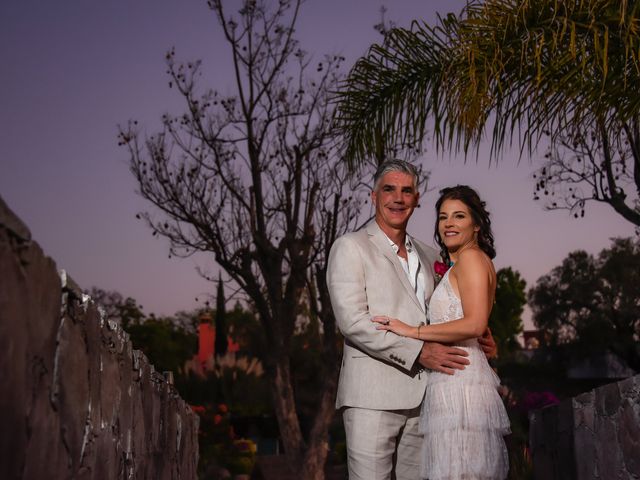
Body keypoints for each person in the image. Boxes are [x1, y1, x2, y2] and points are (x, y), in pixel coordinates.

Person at [327, 161, 497, 480]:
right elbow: (353, 322)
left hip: (430, 400)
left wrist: (483, 334)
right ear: (373, 196)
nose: (398, 198)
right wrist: (418, 351)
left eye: (407, 191)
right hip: (372, 398)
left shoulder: (433, 256)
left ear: (417, 198)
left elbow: (457, 308)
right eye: (389, 189)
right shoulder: (350, 247)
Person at [373, 185, 510, 480]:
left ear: (476, 225)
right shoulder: (466, 261)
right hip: (454, 377)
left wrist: (413, 330)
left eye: (459, 216)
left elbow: (473, 324)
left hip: (460, 383)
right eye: (443, 216)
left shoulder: (472, 259)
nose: (449, 223)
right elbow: (479, 325)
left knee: (461, 470)